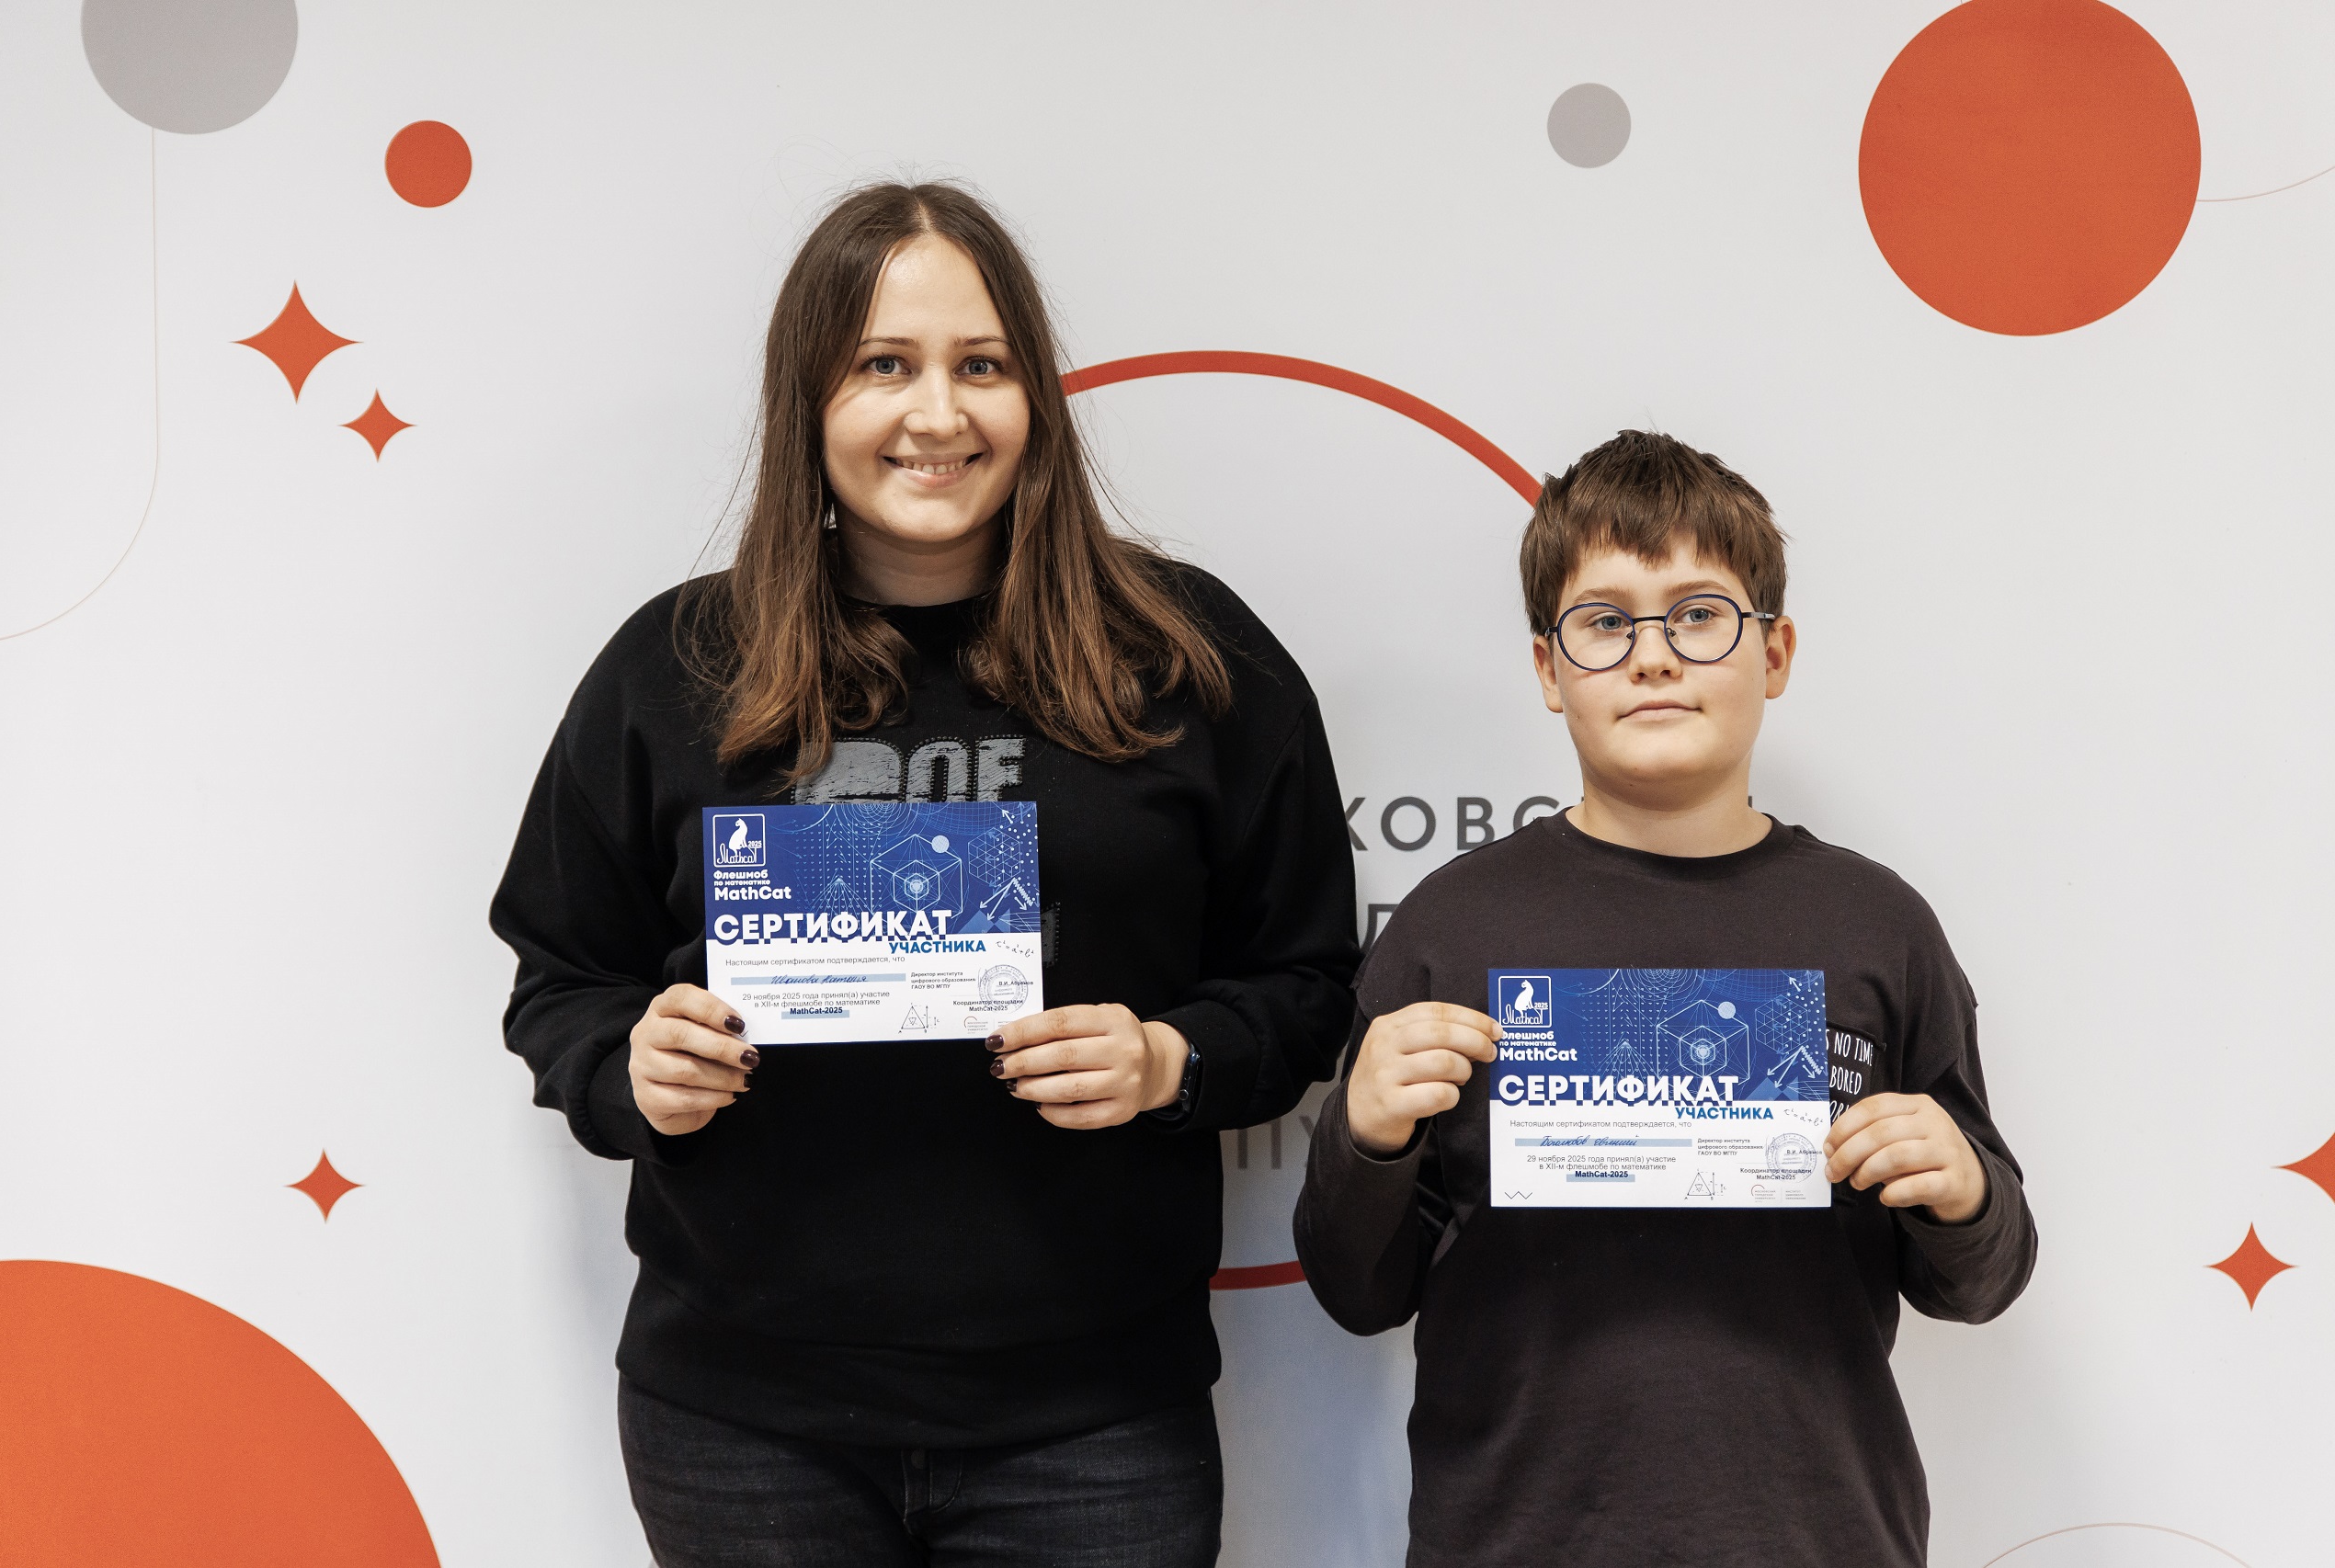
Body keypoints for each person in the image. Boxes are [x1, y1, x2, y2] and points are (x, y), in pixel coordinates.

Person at [491, 181, 1358, 1567]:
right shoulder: (675, 664)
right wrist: (627, 1064)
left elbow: (1308, 983)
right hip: (743, 1424)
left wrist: (1169, 1059)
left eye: (983, 365)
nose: (938, 414)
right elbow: (560, 978)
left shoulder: (1192, 656)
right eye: (884, 364)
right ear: (808, 397)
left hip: (1093, 1422)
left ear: (1037, 397)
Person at [1293, 431, 2037, 1567]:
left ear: (1773, 652)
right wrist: (1365, 1134)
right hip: (1516, 1537)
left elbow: (1981, 1278)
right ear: (1548, 669)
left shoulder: (1876, 926)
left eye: (1698, 614)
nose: (1653, 656)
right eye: (1604, 622)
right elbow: (1357, 1289)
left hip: (1814, 1534)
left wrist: (1962, 1187)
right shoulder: (1451, 929)